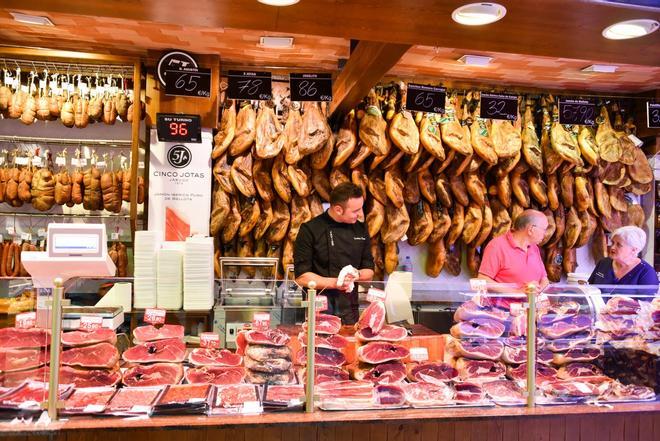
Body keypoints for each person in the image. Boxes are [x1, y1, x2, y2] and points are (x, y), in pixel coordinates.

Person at [294, 182, 374, 324]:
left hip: (350, 310)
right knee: (319, 346)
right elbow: (301, 277)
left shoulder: (361, 229)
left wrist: (356, 274)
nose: (360, 214)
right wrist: (336, 283)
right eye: (355, 210)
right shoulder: (310, 230)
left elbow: (369, 271)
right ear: (338, 210)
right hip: (318, 309)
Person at [478, 209, 550, 290]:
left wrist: (535, 292)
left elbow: (544, 279)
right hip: (503, 303)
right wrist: (517, 292)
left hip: (532, 302)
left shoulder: (534, 248)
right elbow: (482, 280)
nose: (545, 234)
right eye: (544, 229)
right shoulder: (497, 246)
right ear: (531, 230)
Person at [588, 225, 659, 287]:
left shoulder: (646, 273)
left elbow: (647, 302)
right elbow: (590, 289)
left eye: (619, 245)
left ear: (634, 250)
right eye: (612, 243)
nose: (612, 247)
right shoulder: (603, 263)